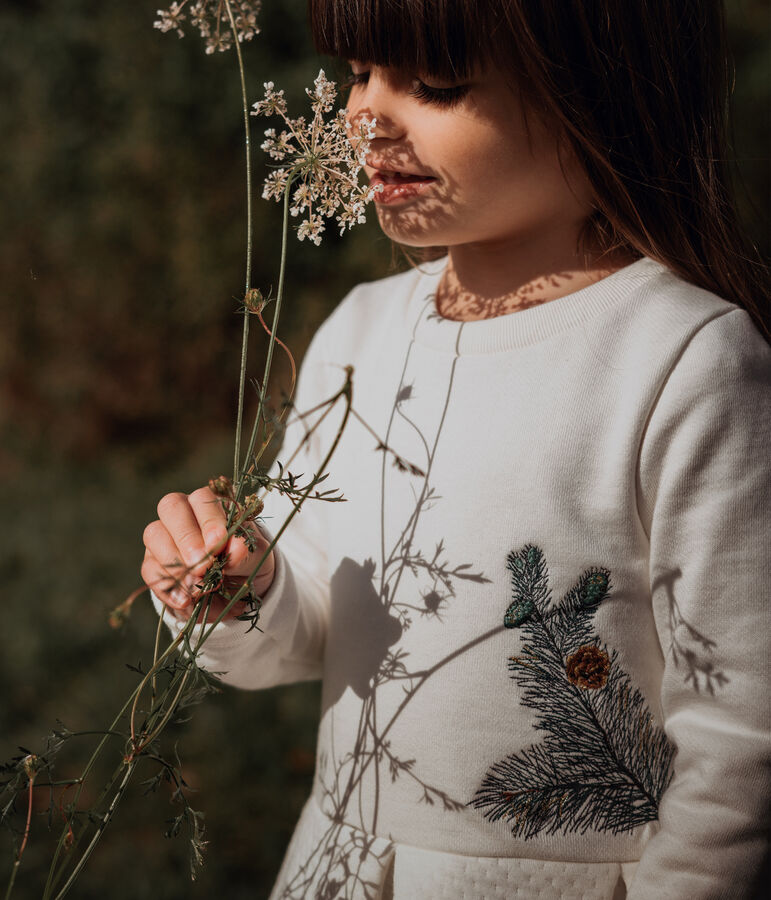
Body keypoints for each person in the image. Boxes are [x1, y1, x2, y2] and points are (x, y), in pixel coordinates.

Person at [141, 1, 771, 897]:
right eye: (361, 72)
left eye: (434, 84)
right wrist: (233, 587)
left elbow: (742, 733)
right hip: (337, 867)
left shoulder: (685, 358)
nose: (366, 113)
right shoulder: (359, 330)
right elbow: (306, 624)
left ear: (600, 93)